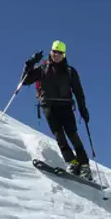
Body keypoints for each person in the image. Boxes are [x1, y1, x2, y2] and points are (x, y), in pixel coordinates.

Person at [22, 40, 92, 180]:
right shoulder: (43, 68)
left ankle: (84, 165)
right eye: (54, 52)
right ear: (50, 52)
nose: (56, 55)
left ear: (64, 55)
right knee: (59, 136)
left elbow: (78, 91)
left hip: (65, 106)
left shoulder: (70, 71)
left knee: (72, 134)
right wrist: (29, 64)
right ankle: (72, 162)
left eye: (59, 53)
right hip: (48, 106)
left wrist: (83, 109)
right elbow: (25, 80)